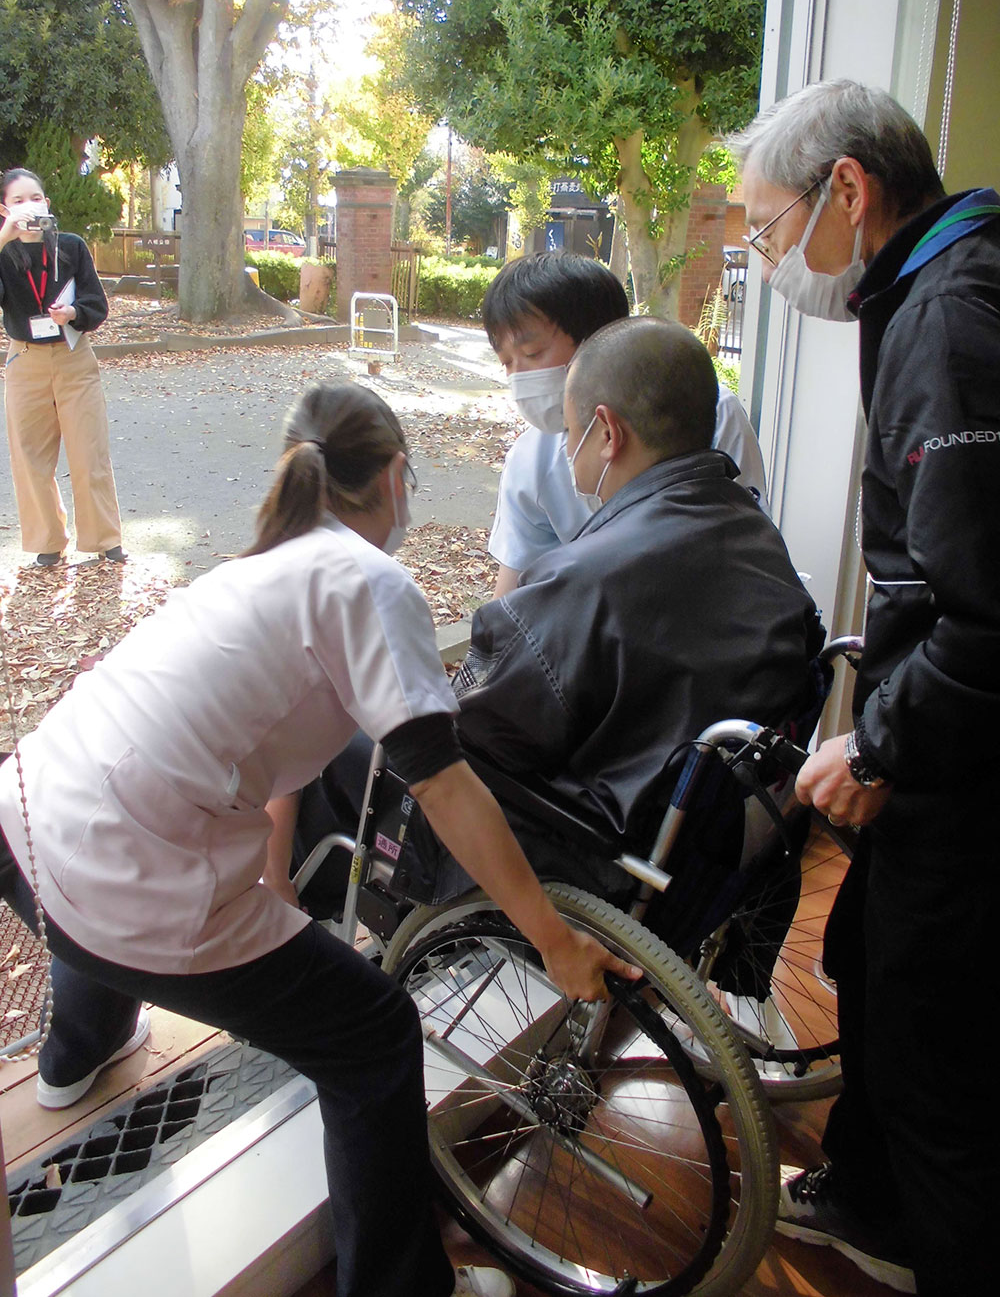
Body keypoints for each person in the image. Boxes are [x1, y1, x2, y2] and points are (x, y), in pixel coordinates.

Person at [0, 381, 636, 1297]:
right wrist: (553, 938)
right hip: (124, 868)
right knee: (374, 1033)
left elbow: (272, 751)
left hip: (30, 805)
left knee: (101, 877)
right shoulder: (366, 580)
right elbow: (443, 782)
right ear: (395, 478)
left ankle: (71, 1057)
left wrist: (273, 882)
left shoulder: (262, 562)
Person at [731, 79, 999, 1297]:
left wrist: (876, 743)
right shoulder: (942, 279)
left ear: (848, 189)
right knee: (880, 965)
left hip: (963, 752)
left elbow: (988, 612)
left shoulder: (950, 323)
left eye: (771, 228)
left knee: (933, 1033)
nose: (770, 258)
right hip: (942, 731)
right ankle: (867, 1194)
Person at [287, 319, 821, 928]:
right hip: (697, 835)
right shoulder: (755, 533)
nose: (567, 450)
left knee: (340, 751)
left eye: (570, 433)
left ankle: (307, 941)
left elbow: (471, 735)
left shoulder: (587, 579)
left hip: (586, 849)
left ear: (608, 433)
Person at [483, 252, 770, 596]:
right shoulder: (531, 458)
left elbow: (746, 546)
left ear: (601, 340)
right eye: (506, 364)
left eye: (531, 354)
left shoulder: (708, 410)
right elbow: (515, 593)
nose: (519, 378)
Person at [0, 167, 125, 565]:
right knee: (30, 456)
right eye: (17, 201)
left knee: (89, 450)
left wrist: (73, 312)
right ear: (4, 209)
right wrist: (3, 237)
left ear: (47, 203)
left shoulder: (71, 246)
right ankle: (47, 541)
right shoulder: (3, 253)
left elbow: (97, 304)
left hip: (73, 357)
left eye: (34, 198)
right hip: (25, 359)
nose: (27, 207)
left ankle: (104, 538)